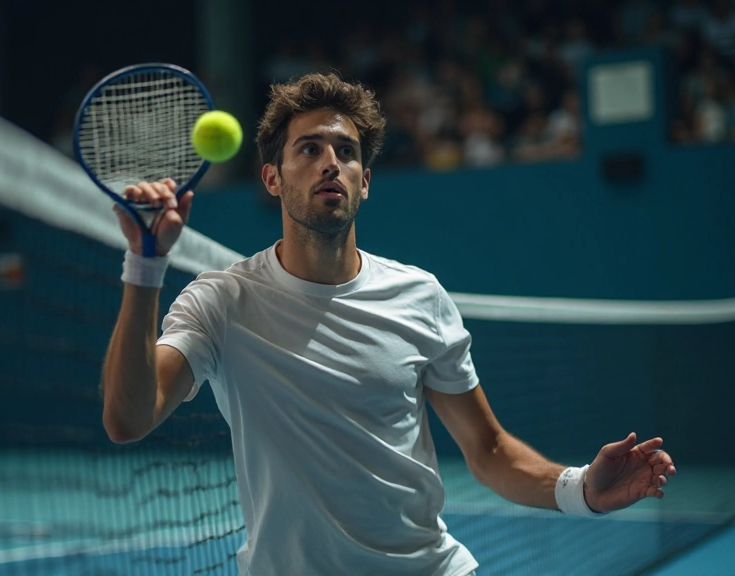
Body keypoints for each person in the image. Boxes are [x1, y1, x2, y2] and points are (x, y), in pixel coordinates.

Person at [101, 73, 676, 576]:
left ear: (365, 181)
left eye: (347, 152)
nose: (331, 162)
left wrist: (581, 491)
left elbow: (490, 448)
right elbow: (129, 416)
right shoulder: (222, 301)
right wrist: (145, 265)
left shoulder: (419, 296)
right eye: (309, 149)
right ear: (272, 179)